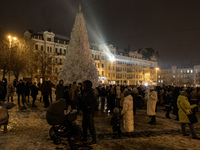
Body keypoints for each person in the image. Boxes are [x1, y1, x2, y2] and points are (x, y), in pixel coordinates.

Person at [81, 80, 96, 145]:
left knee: (90, 126)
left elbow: (89, 101)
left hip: (89, 111)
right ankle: (85, 137)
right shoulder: (85, 92)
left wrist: (83, 100)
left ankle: (94, 139)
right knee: (84, 125)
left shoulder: (90, 92)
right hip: (85, 111)